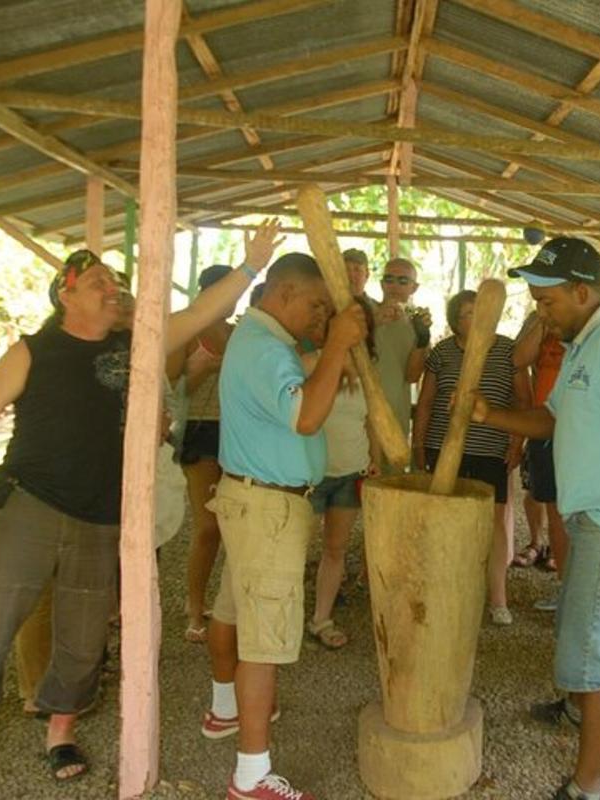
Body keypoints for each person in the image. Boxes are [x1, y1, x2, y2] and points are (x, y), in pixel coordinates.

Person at [0, 223, 281, 793]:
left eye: (113, 282)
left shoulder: (133, 344)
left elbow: (198, 314)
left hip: (102, 512)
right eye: (97, 283)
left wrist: (250, 266)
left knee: (84, 633)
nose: (111, 290)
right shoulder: (33, 350)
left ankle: (60, 731)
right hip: (31, 505)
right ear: (67, 295)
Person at [467, 238, 600, 800]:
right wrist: (493, 414)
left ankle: (589, 787)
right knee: (583, 628)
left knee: (598, 650)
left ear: (582, 292)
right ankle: (573, 711)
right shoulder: (583, 340)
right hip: (592, 516)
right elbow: (552, 416)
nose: (540, 311)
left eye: (547, 301)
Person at [210, 252, 367, 800]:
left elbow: (297, 381)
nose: (321, 315)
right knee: (265, 640)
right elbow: (305, 415)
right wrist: (340, 345)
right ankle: (251, 775)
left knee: (235, 609)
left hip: (251, 501)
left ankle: (223, 709)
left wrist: (327, 352)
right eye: (316, 304)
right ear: (284, 294)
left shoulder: (262, 342)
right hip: (267, 510)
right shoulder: (263, 347)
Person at [414, 290, 530, 626]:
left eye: (480, 310)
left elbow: (523, 400)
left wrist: (516, 442)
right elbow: (425, 402)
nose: (475, 318)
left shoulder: (509, 351)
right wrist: (419, 445)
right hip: (442, 446)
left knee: (492, 523)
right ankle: (441, 588)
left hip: (489, 448)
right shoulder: (442, 352)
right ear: (454, 321)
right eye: (466, 313)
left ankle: (497, 598)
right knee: (443, 518)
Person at [301, 297, 381, 650]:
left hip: (351, 470)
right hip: (309, 474)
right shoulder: (307, 364)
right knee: (295, 550)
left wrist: (374, 460)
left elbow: (372, 421)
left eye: (362, 321)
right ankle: (282, 617)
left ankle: (321, 618)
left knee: (335, 550)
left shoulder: (368, 371)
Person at [168, 263, 236, 643]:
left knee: (231, 523)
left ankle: (218, 604)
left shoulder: (237, 331)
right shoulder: (187, 331)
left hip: (235, 431)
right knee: (208, 527)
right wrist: (202, 369)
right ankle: (194, 607)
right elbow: (171, 391)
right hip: (199, 428)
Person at [511, 310, 568, 611]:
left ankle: (577, 588)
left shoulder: (590, 323)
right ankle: (564, 586)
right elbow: (519, 359)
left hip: (579, 429)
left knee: (579, 513)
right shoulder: (539, 319)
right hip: (542, 427)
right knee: (554, 508)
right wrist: (544, 319)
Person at [372, 257, 432, 447]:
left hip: (395, 422)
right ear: (382, 284)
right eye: (389, 279)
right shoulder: (364, 312)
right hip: (360, 421)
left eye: (403, 280)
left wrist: (422, 338)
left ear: (414, 287)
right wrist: (373, 322)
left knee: (392, 477)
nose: (394, 285)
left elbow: (412, 376)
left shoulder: (417, 324)